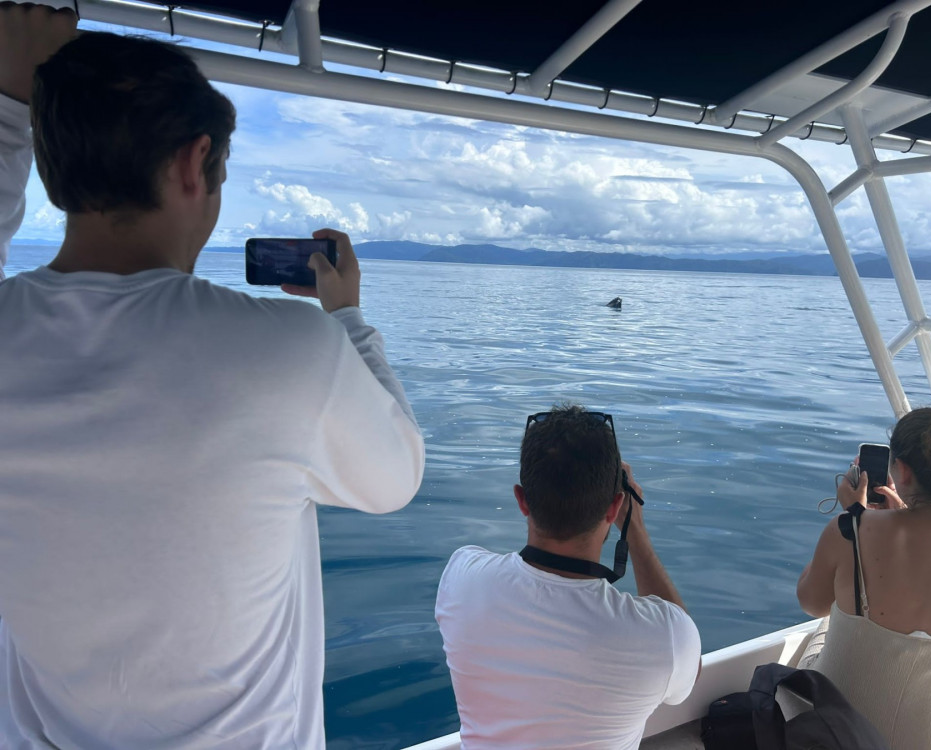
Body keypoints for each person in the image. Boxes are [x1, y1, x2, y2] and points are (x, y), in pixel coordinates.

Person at [0, 8, 424, 749]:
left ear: (52, 163)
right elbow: (396, 479)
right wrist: (347, 319)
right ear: (197, 164)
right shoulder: (290, 351)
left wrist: (10, 107)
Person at [435, 405, 701, 749]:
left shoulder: (461, 578)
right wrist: (634, 530)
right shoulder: (663, 638)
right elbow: (688, 674)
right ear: (615, 506)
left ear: (521, 500)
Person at [796, 403, 931, 750]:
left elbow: (812, 604)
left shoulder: (851, 530)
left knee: (826, 623)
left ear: (902, 472)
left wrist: (855, 515)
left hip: (837, 735)